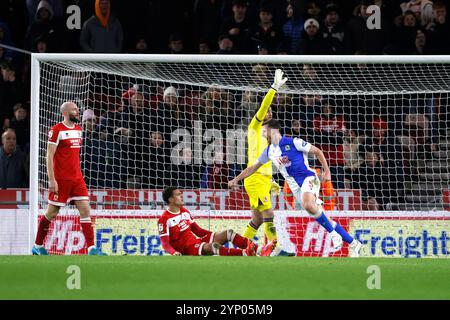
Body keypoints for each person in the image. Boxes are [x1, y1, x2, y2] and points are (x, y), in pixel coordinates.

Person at [229, 119, 362, 257]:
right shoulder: (269, 151)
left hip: (308, 178)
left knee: (308, 204)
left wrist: (327, 171)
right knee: (319, 215)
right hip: (296, 188)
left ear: (272, 130)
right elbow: (252, 168)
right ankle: (353, 243)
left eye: (264, 130)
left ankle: (334, 235)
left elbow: (317, 151)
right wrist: (236, 179)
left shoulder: (294, 142)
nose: (263, 134)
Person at [31, 101, 106, 256]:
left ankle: (92, 249)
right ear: (65, 113)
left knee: (85, 209)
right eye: (74, 110)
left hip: (77, 179)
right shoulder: (56, 130)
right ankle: (37, 246)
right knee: (52, 212)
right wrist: (51, 179)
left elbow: (73, 156)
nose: (77, 112)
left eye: (78, 110)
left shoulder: (79, 129)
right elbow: (49, 155)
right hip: (61, 179)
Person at [240, 69, 291, 257]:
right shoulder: (254, 127)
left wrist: (269, 181)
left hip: (261, 179)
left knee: (257, 219)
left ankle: (242, 248)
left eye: (271, 110)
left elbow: (264, 160)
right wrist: (274, 88)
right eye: (266, 110)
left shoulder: (269, 137)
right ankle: (276, 248)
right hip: (255, 178)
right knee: (269, 213)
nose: (269, 112)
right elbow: (263, 107)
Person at [158, 187, 257, 256]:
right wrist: (174, 252)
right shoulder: (164, 219)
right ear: (171, 199)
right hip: (186, 249)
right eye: (179, 195)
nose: (182, 196)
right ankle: (244, 253)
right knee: (213, 246)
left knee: (228, 233)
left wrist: (215, 235)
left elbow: (198, 231)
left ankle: (258, 249)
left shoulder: (184, 211)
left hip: (195, 242)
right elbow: (165, 244)